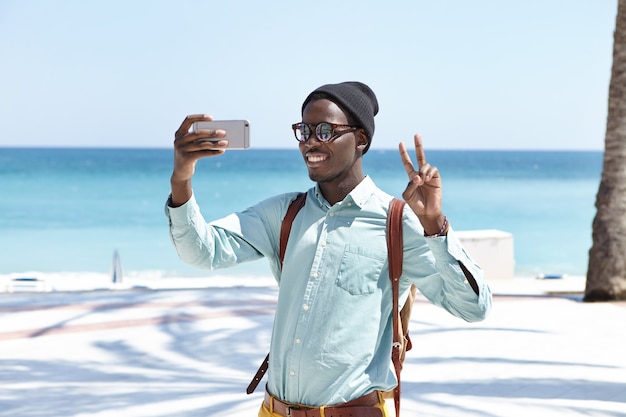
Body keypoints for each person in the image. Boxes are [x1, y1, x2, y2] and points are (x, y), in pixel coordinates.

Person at [166, 81, 492, 417]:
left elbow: (474, 307)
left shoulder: (397, 222)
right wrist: (181, 177)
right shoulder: (285, 214)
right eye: (304, 130)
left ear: (361, 139)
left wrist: (434, 225)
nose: (310, 141)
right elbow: (202, 251)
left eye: (324, 130)